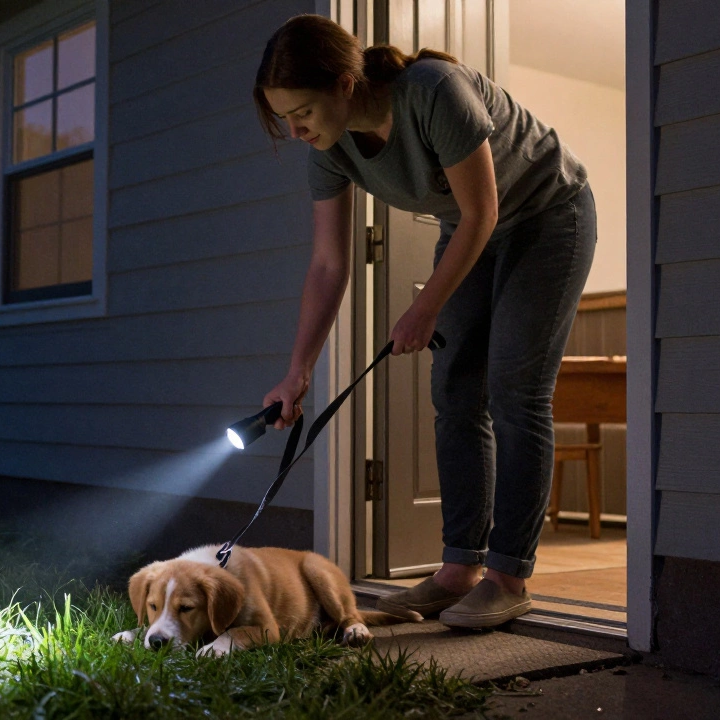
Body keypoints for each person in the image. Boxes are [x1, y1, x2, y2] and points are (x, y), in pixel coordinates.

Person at [252, 14, 595, 628]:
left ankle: (508, 576)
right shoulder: (330, 152)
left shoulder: (434, 91)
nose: (297, 130)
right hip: (471, 229)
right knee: (454, 393)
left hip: (548, 215)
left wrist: (424, 307)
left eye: (302, 112)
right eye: (286, 119)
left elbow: (482, 211)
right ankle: (459, 569)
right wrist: (297, 372)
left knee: (515, 391)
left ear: (345, 84)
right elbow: (329, 265)